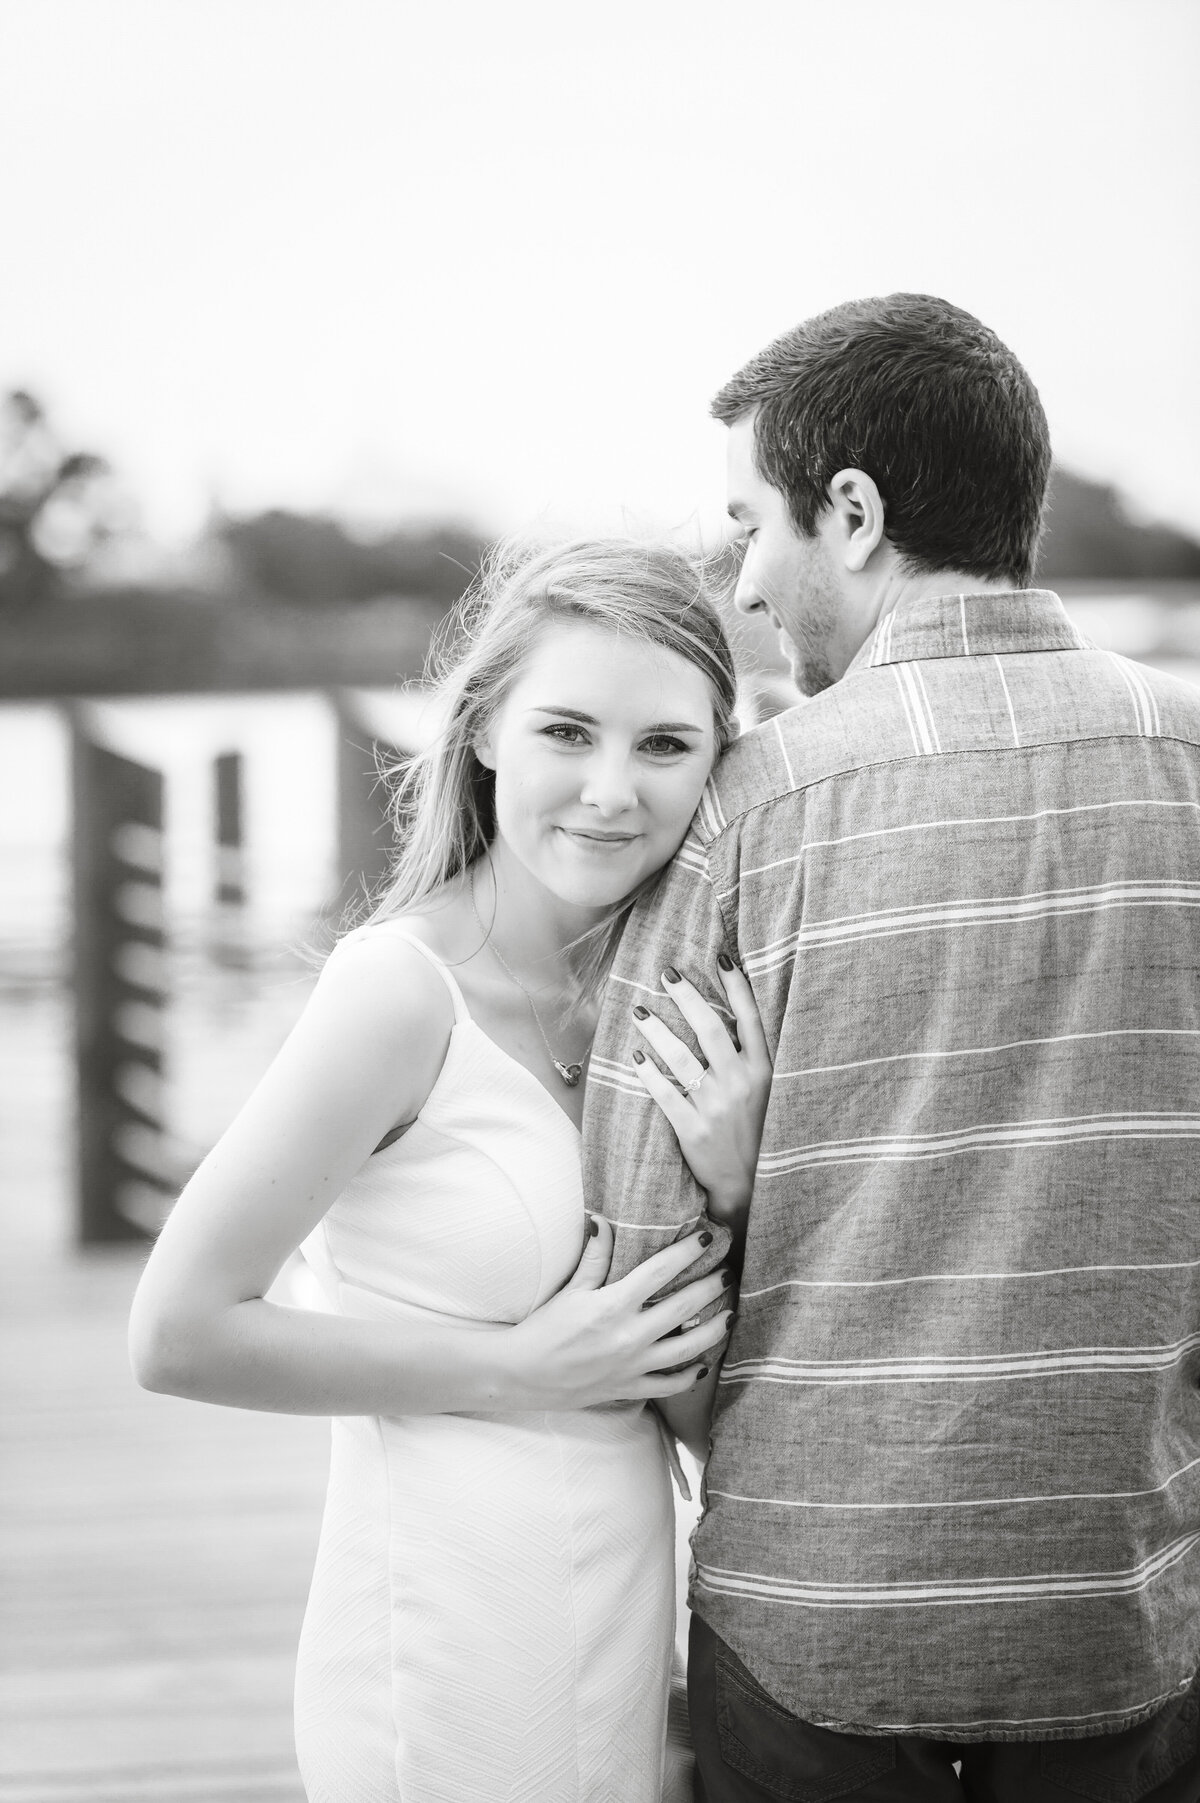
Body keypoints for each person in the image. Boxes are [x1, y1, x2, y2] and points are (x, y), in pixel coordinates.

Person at [584, 295, 1200, 1801]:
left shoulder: (742, 810)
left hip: (815, 1618)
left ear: (852, 512)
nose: (743, 586)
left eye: (753, 528)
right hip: (1127, 1599)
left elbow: (635, 1273)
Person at [128, 537, 773, 1803]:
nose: (609, 791)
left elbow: (705, 1402)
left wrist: (739, 1186)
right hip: (441, 1638)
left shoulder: (683, 1012)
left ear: (718, 763)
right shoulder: (397, 994)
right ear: (484, 735)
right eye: (567, 733)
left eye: (664, 746)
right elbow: (177, 1333)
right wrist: (522, 1368)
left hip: (625, 1615)